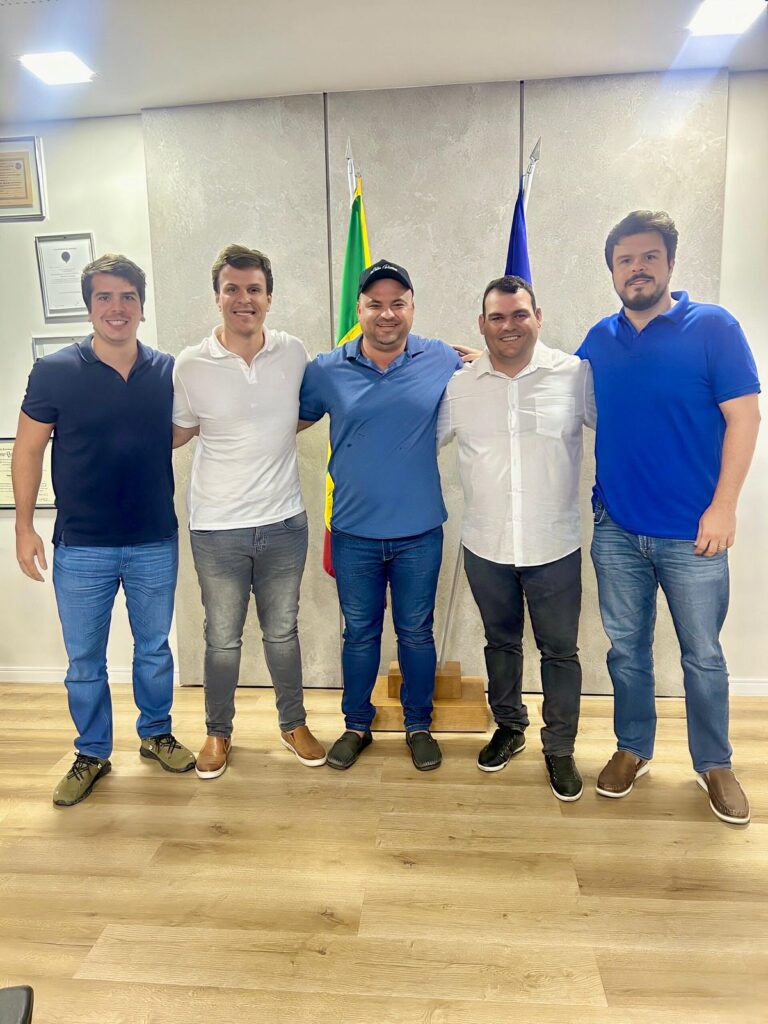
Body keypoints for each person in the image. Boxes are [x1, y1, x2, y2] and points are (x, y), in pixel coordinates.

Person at [579, 210, 760, 825]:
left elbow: (745, 418)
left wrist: (724, 507)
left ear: (670, 263)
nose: (637, 269)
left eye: (649, 257)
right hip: (617, 530)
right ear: (612, 270)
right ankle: (633, 748)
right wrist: (487, 360)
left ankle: (714, 763)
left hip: (695, 533)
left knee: (702, 655)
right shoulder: (599, 339)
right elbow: (550, 384)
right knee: (626, 650)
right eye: (625, 259)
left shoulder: (714, 327)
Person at [13, 254, 195, 807]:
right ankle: (92, 751)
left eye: (127, 297)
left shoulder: (168, 371)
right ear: (90, 306)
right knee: (84, 662)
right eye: (105, 297)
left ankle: (156, 734)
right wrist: (24, 527)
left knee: (154, 650)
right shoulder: (55, 370)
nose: (117, 308)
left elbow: (179, 429)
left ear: (142, 305)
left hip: (153, 538)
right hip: (81, 545)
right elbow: (28, 450)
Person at [298, 260, 463, 771]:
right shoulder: (326, 369)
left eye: (397, 303)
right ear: (359, 309)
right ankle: (356, 725)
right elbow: (284, 420)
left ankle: (418, 724)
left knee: (416, 633)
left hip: (419, 532)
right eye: (375, 304)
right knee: (360, 634)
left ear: (412, 307)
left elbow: (488, 370)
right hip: (353, 533)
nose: (386, 314)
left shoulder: (439, 357)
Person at [438, 275, 594, 801]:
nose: (509, 326)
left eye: (519, 314)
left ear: (538, 317)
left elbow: (623, 429)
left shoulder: (574, 375)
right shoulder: (459, 386)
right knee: (500, 643)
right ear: (482, 324)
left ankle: (560, 748)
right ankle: (510, 726)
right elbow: (416, 439)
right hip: (487, 545)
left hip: (555, 545)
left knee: (560, 651)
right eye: (497, 317)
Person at [172, 244, 326, 778]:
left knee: (283, 632)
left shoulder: (293, 352)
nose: (244, 299)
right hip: (217, 528)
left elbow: (306, 410)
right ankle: (218, 733)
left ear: (269, 297)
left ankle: (293, 724)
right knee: (222, 638)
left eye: (254, 289)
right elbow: (179, 430)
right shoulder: (190, 365)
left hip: (284, 522)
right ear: (217, 298)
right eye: (232, 289)